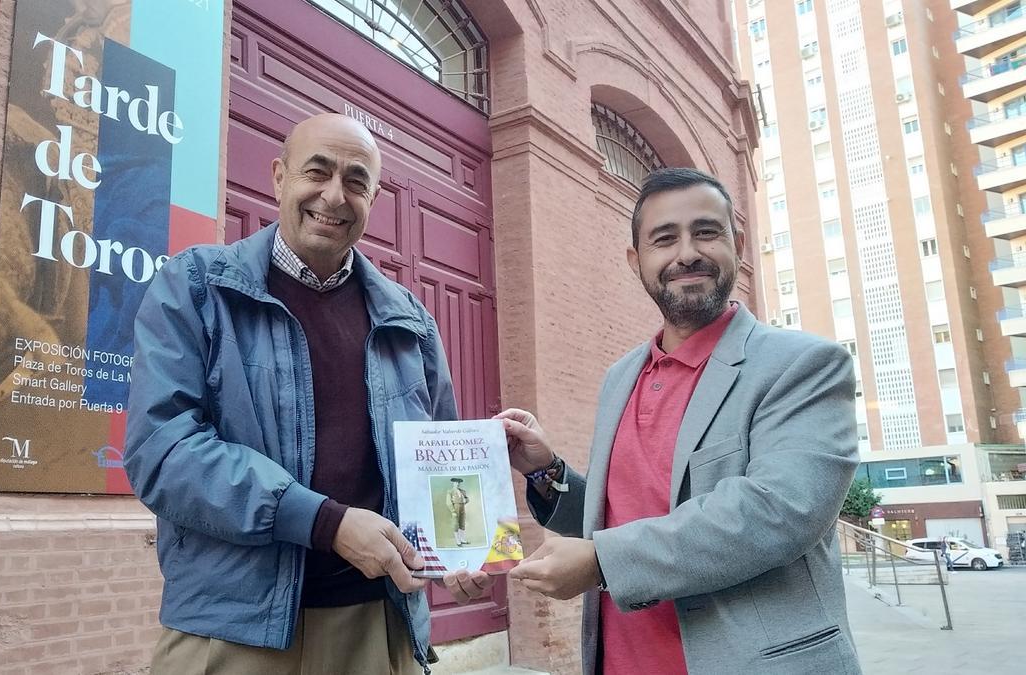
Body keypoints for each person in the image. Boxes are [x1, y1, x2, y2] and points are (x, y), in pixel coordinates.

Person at [445, 168, 862, 674]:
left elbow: (776, 512)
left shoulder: (803, 365)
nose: (686, 252)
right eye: (664, 239)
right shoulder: (620, 377)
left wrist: (600, 560)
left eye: (705, 232)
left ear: (739, 243)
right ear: (636, 260)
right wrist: (545, 470)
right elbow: (619, 520)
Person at [125, 113, 458, 674]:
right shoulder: (199, 288)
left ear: (373, 198)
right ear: (279, 177)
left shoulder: (411, 322)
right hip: (234, 632)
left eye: (356, 181)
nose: (334, 195)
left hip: (376, 626)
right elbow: (162, 452)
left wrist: (458, 552)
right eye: (317, 172)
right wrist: (325, 522)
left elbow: (441, 460)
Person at [448, 477, 470, 546]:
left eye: (458, 482)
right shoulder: (450, 491)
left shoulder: (462, 491)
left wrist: (465, 501)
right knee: (455, 524)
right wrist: (453, 511)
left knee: (462, 524)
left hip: (462, 507)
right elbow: (448, 502)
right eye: (456, 482)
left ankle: (462, 539)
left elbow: (467, 498)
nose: (457, 484)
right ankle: (458, 541)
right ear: (453, 483)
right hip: (455, 507)